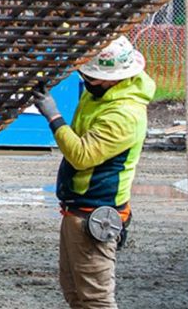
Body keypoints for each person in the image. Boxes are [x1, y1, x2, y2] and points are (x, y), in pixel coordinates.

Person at [34, 35, 155, 309]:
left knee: (95, 300)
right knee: (74, 292)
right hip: (77, 210)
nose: (88, 82)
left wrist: (53, 117)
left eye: (93, 77)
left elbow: (81, 155)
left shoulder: (124, 114)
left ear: (114, 78)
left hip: (95, 215)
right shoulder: (101, 94)